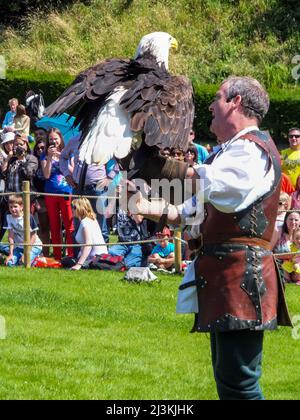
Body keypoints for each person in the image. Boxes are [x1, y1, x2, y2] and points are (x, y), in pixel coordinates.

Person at [129, 76, 292, 400]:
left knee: (240, 383)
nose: (209, 105)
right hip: (227, 277)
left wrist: (161, 166)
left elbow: (216, 185)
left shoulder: (251, 149)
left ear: (236, 103)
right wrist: (139, 204)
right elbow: (189, 213)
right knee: (229, 380)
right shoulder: (230, 153)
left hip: (242, 277)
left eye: (217, 97)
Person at [59, 135, 122, 244]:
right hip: (77, 187)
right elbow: (63, 157)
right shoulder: (75, 140)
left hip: (97, 188)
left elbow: (118, 163)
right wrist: (67, 174)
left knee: (100, 224)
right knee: (78, 223)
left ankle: (102, 257)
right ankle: (78, 256)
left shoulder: (104, 141)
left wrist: (109, 177)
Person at [40, 128, 74, 260]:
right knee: (54, 226)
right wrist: (49, 158)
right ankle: (57, 256)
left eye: (56, 139)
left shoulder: (68, 152)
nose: (53, 141)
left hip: (66, 192)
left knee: (69, 224)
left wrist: (62, 157)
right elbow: (46, 175)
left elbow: (72, 171)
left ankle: (71, 254)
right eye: (51, 139)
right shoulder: (44, 155)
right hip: (50, 193)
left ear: (60, 139)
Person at [3, 195, 42, 267]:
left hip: (34, 246)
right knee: (9, 264)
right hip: (19, 246)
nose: (13, 209)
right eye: (10, 207)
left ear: (21, 207)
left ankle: (36, 259)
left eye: (15, 206)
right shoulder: (8, 215)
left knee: (24, 263)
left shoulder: (28, 216)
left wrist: (26, 253)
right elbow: (10, 237)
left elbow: (33, 236)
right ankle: (19, 257)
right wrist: (10, 254)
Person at [69, 198, 108, 270]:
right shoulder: (92, 219)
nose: (72, 209)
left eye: (74, 207)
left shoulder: (85, 222)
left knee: (66, 262)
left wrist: (79, 264)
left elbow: (88, 244)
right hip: (98, 256)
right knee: (68, 260)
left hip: (94, 258)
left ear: (80, 208)